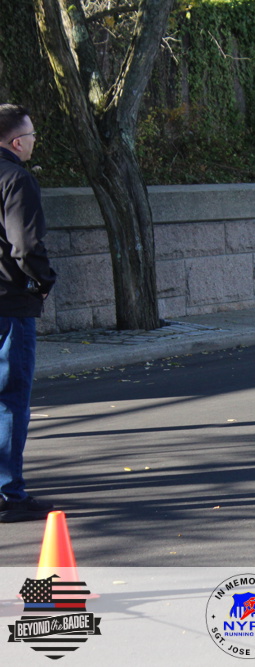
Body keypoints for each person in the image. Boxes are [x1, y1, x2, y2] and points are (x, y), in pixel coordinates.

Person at [0, 104, 58, 523]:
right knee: (9, 398)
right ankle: (8, 494)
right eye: (33, 135)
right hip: (8, 302)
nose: (35, 141)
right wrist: (44, 280)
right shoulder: (16, 179)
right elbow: (26, 245)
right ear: (17, 142)